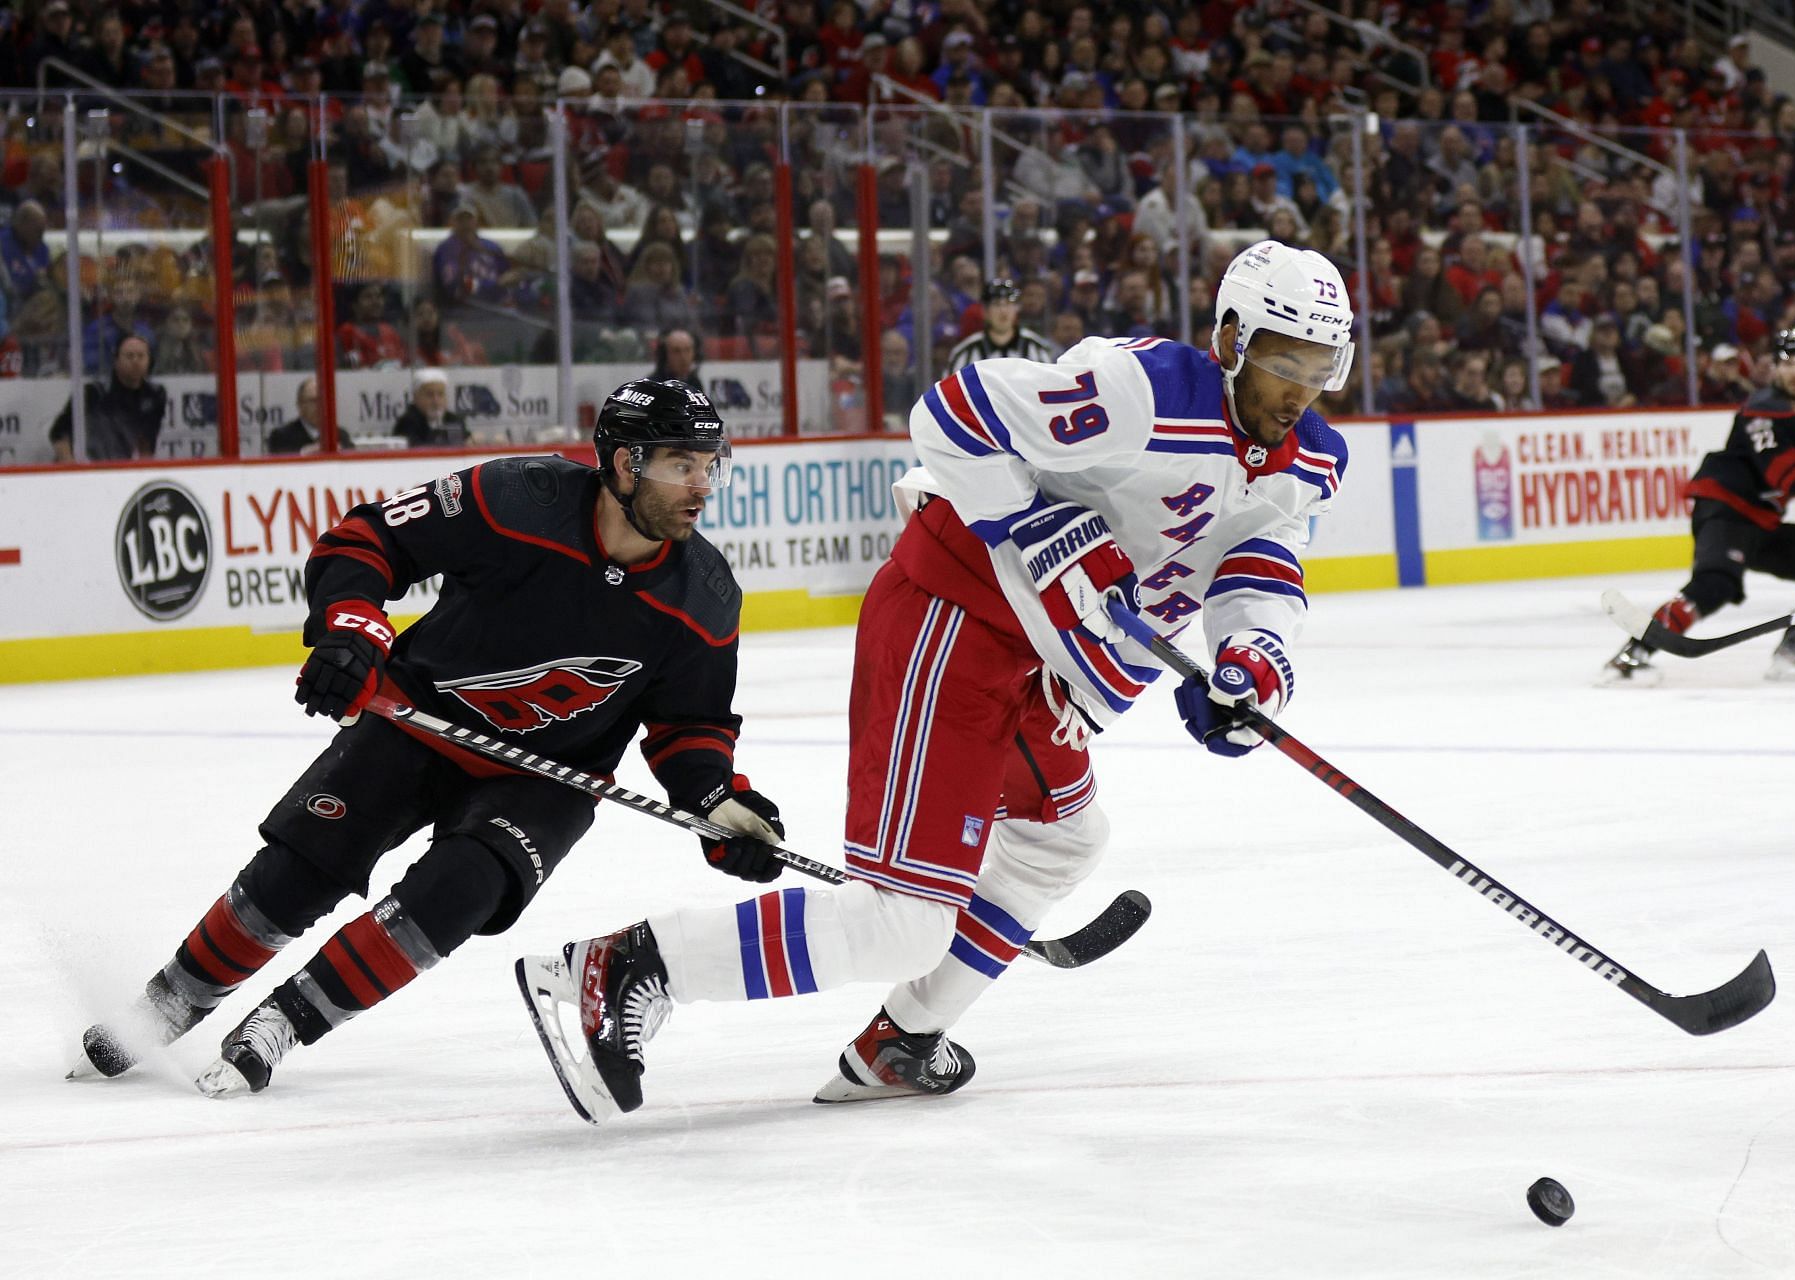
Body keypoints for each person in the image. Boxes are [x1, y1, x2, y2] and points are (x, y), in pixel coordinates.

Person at [512, 239, 1354, 1122]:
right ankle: (632, 965)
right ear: (1231, 338)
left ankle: (903, 1041)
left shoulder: (1313, 457)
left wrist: (1252, 662)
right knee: (900, 921)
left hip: (1043, 671)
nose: (1300, 388)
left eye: (1321, 366)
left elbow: (1262, 563)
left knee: (1063, 840)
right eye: (1284, 360)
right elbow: (955, 412)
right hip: (955, 621)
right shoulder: (1142, 391)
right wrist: (1034, 529)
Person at [67, 380, 787, 1096]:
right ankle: (167, 1003)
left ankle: (286, 1021)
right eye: (680, 465)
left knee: (459, 893)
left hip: (544, 779)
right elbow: (370, 540)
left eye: (710, 465)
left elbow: (689, 725)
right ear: (626, 464)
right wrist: (351, 630)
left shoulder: (705, 595)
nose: (701, 486)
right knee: (298, 874)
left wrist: (717, 799)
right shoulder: (515, 499)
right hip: (421, 720)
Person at [1602, 328, 1795, 685]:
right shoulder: (1762, 410)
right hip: (1726, 510)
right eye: (1787, 363)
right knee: (1718, 583)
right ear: (1773, 368)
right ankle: (1632, 655)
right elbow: (1783, 471)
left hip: (1763, 524)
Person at [48, 333, 166, 462]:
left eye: (141, 356)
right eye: (129, 356)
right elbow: (58, 433)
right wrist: (71, 466)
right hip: (87, 467)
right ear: (116, 361)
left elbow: (146, 444)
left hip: (120, 467)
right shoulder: (93, 392)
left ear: (149, 361)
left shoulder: (154, 396)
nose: (135, 361)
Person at [944, 278, 1056, 374]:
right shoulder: (964, 353)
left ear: (1016, 308)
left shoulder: (1037, 349)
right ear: (985, 311)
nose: (1003, 311)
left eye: (1008, 304)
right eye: (996, 305)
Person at [267, 377, 355, 455]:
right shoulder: (281, 437)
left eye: (323, 400)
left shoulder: (340, 435)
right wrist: (303, 454)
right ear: (300, 405)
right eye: (313, 401)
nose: (320, 405)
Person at [393, 368, 469, 447]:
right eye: (429, 395)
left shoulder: (454, 420)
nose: (436, 401)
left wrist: (473, 439)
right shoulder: (407, 423)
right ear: (416, 398)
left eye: (440, 394)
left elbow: (466, 440)